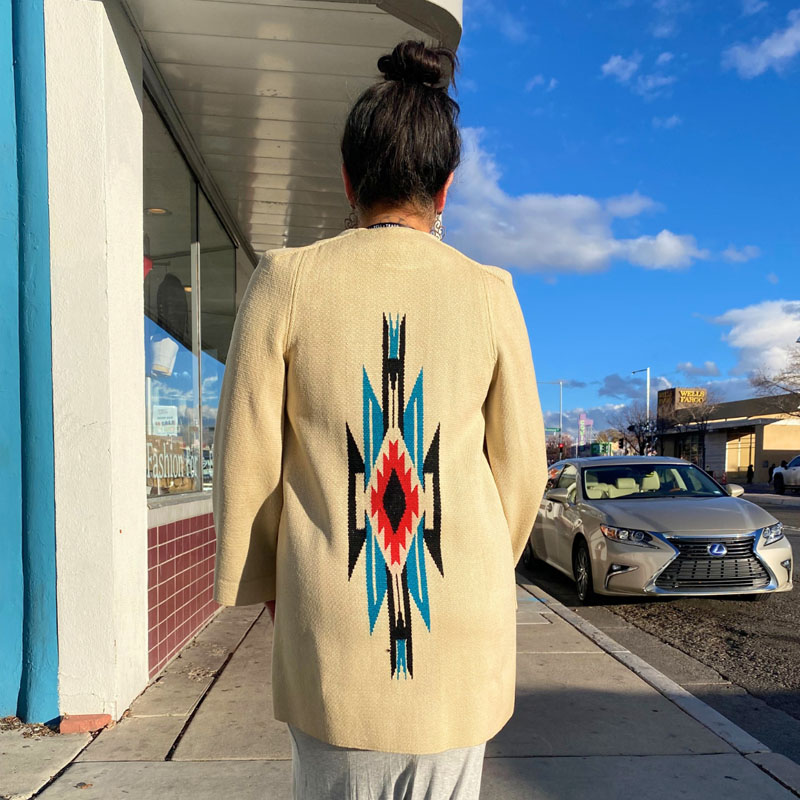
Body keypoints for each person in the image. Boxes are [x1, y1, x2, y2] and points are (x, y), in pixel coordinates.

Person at [212, 41, 547, 800]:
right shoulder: (490, 292)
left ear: (346, 176)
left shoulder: (286, 281)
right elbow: (523, 470)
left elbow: (246, 463)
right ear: (446, 187)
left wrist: (270, 584)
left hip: (332, 633)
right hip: (461, 641)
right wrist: (484, 566)